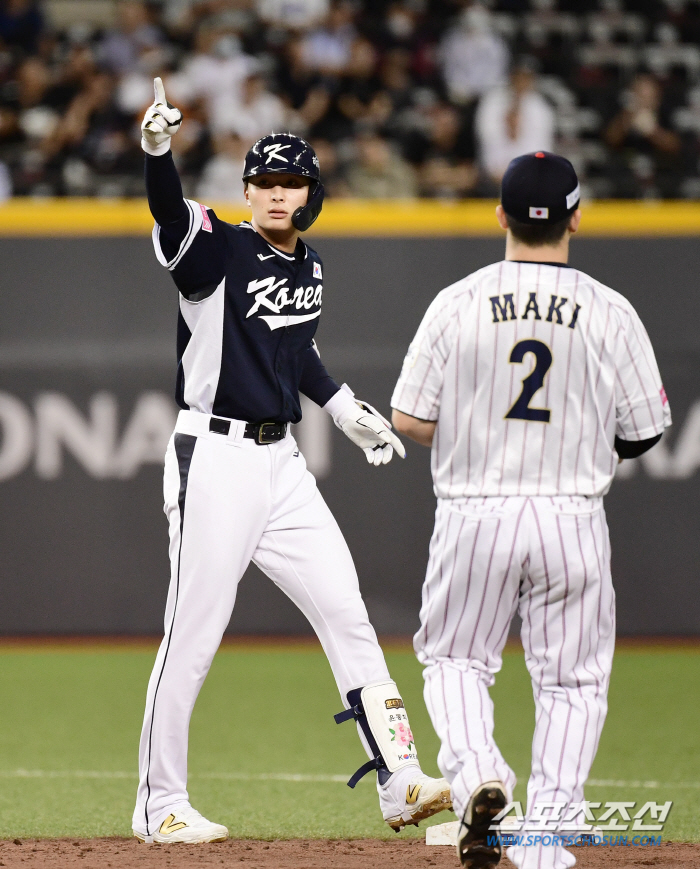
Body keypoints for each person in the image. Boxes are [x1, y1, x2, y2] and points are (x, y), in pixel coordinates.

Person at [131, 78, 452, 844]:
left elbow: (295, 349)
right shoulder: (217, 245)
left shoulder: (308, 263)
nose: (278, 194)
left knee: (348, 612)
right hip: (213, 454)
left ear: (309, 193)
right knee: (194, 633)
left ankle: (400, 781)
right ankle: (159, 801)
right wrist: (156, 152)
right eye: (265, 182)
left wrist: (340, 406)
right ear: (246, 191)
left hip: (283, 465)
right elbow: (170, 216)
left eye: (291, 182)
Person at [390, 152, 670, 869]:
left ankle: (481, 774)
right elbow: (643, 432)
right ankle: (547, 823)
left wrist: (475, 422)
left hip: (475, 510)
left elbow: (410, 418)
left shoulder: (458, 300)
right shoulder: (611, 308)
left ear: (501, 214)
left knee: (454, 658)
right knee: (573, 678)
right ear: (577, 215)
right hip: (571, 514)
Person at [475, 58, 555, 184]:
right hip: (494, 173)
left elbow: (541, 147)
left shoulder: (540, 108)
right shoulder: (492, 102)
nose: (521, 82)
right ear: (511, 77)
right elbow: (487, 139)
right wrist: (498, 170)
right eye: (518, 77)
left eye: (526, 77)